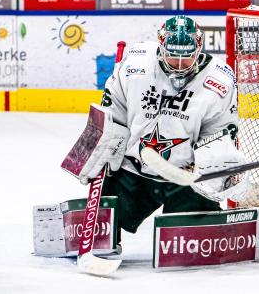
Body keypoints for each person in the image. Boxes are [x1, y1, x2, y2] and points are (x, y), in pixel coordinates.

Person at [77, 16, 248, 240]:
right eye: (172, 56)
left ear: (198, 50)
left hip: (184, 178)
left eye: (186, 58)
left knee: (190, 250)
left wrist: (214, 165)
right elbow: (112, 108)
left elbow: (220, 132)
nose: (178, 65)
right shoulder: (135, 63)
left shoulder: (219, 80)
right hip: (133, 169)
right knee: (101, 231)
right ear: (160, 46)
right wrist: (99, 142)